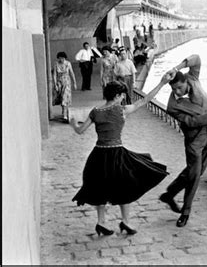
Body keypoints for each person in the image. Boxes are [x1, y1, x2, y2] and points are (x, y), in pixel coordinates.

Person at [70, 78, 171, 236]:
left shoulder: (95, 111)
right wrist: (162, 82)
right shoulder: (121, 110)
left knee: (99, 188)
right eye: (122, 95)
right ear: (117, 96)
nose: (124, 98)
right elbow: (145, 100)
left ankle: (101, 222)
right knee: (125, 186)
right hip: (117, 154)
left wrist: (73, 123)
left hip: (98, 155)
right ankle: (125, 221)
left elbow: (80, 130)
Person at [158, 54, 207, 227]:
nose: (177, 92)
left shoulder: (192, 78)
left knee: (194, 171)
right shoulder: (173, 106)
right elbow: (192, 122)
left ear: (185, 82)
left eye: (180, 88)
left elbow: (197, 58)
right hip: (194, 140)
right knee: (195, 175)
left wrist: (177, 67)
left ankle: (170, 193)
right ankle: (185, 212)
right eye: (174, 89)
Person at [52, 52, 77, 122]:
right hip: (59, 82)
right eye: (60, 58)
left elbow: (72, 73)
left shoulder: (68, 64)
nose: (61, 59)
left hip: (67, 82)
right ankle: (64, 111)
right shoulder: (56, 64)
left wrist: (74, 82)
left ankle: (65, 115)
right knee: (61, 97)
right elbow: (54, 74)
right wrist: (55, 84)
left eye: (62, 58)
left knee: (65, 97)